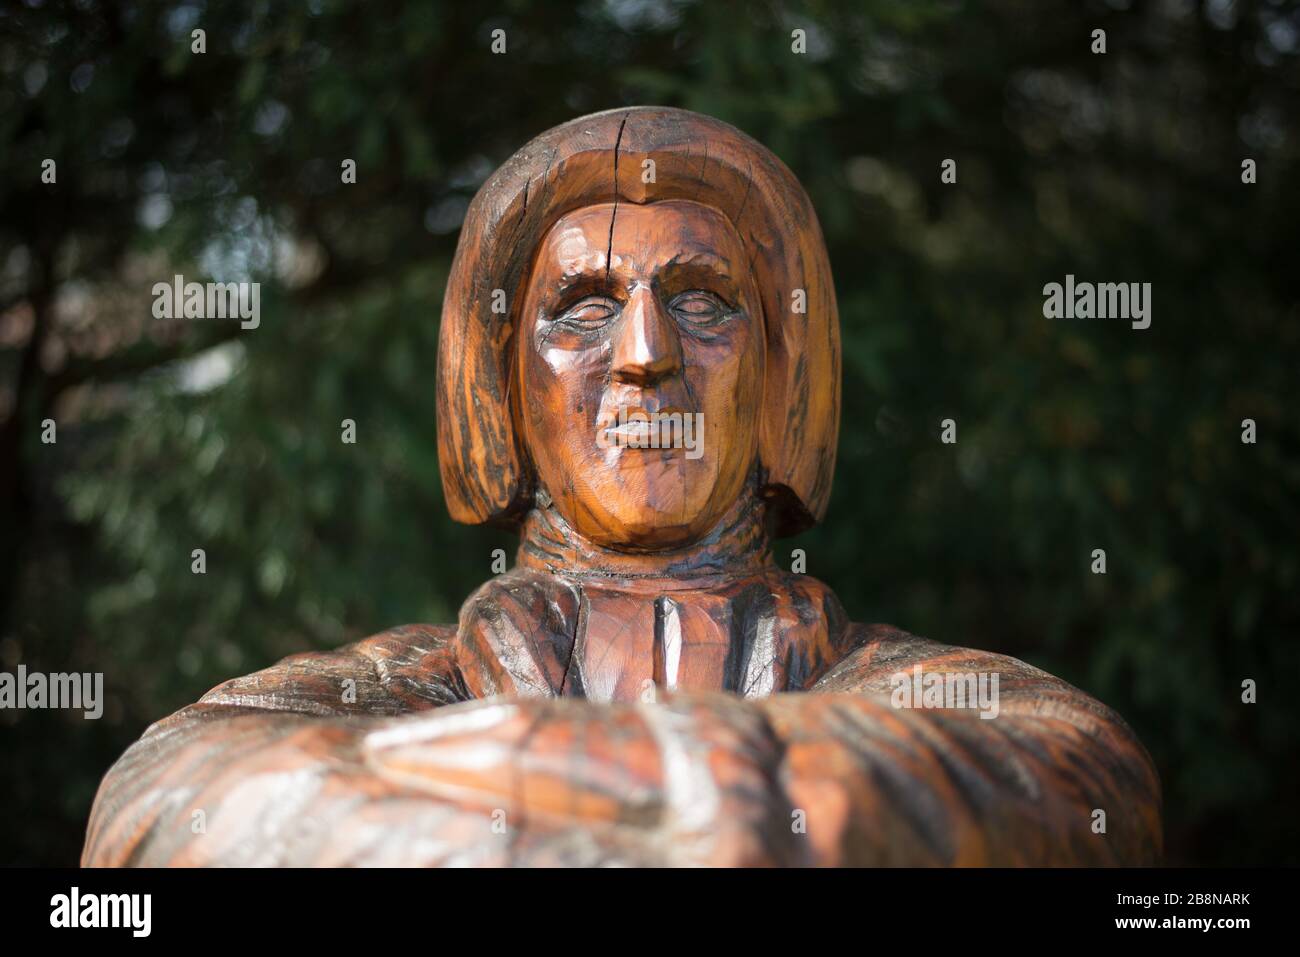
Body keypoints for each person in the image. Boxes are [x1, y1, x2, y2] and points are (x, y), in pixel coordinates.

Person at [83, 107, 1161, 867]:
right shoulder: (365, 691)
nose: (645, 353)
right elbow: (173, 813)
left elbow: (1071, 792)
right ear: (501, 386)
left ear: (779, 375)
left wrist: (520, 779)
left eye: (702, 301)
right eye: (584, 310)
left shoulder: (958, 699)